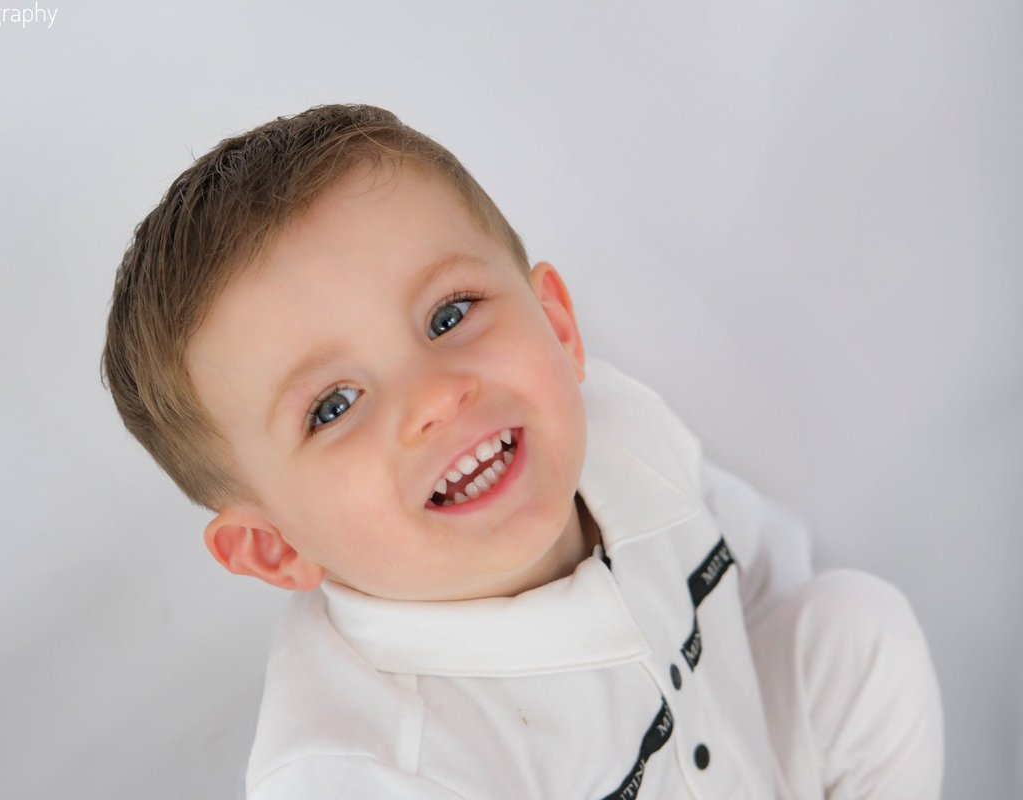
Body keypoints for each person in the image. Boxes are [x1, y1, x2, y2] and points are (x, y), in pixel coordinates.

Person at [102, 104, 944, 798]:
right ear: (274, 546)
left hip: (749, 770)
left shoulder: (622, 430)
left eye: (449, 315)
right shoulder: (369, 769)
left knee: (857, 631)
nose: (435, 396)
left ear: (559, 326)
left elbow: (757, 582)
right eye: (334, 405)